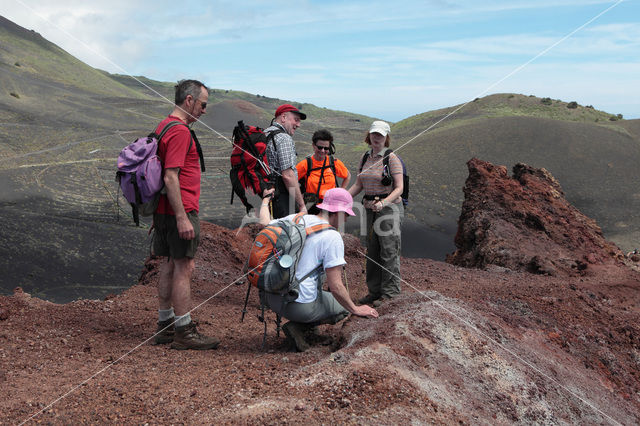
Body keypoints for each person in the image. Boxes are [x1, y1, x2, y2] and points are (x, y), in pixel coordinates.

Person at [258, 188, 379, 352]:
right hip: (296, 306)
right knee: (343, 307)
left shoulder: (297, 218)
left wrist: (265, 200)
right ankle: (300, 327)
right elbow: (336, 286)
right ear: (338, 212)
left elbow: (264, 223)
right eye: (347, 215)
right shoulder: (332, 237)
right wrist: (355, 309)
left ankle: (304, 323)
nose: (347, 219)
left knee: (317, 279)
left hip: (271, 297)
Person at [151, 79, 220, 350]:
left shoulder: (163, 125)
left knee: (169, 264)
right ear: (189, 100)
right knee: (183, 267)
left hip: (163, 210)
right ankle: (183, 330)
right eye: (202, 104)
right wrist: (181, 217)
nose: (204, 111)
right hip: (180, 209)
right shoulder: (180, 131)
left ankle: (164, 325)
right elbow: (170, 177)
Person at [348, 121, 404, 308]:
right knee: (372, 251)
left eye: (380, 134)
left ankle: (391, 294)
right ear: (369, 135)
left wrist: (384, 202)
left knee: (388, 250)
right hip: (369, 209)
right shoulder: (365, 157)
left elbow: (399, 188)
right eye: (374, 134)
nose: (376, 137)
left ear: (386, 137)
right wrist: (342, 198)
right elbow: (359, 184)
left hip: (389, 210)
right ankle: (375, 292)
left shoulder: (391, 158)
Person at [264, 104, 307, 218]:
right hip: (282, 197)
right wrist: (302, 205)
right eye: (296, 120)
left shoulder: (266, 133)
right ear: (283, 117)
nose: (298, 124)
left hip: (267, 194)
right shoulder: (284, 138)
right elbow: (288, 175)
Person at [296, 129, 351, 214]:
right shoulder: (305, 164)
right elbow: (292, 180)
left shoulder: (334, 163)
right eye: (320, 147)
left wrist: (341, 192)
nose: (322, 151)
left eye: (326, 148)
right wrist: (300, 201)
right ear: (313, 146)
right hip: (311, 207)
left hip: (330, 207)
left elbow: (347, 176)